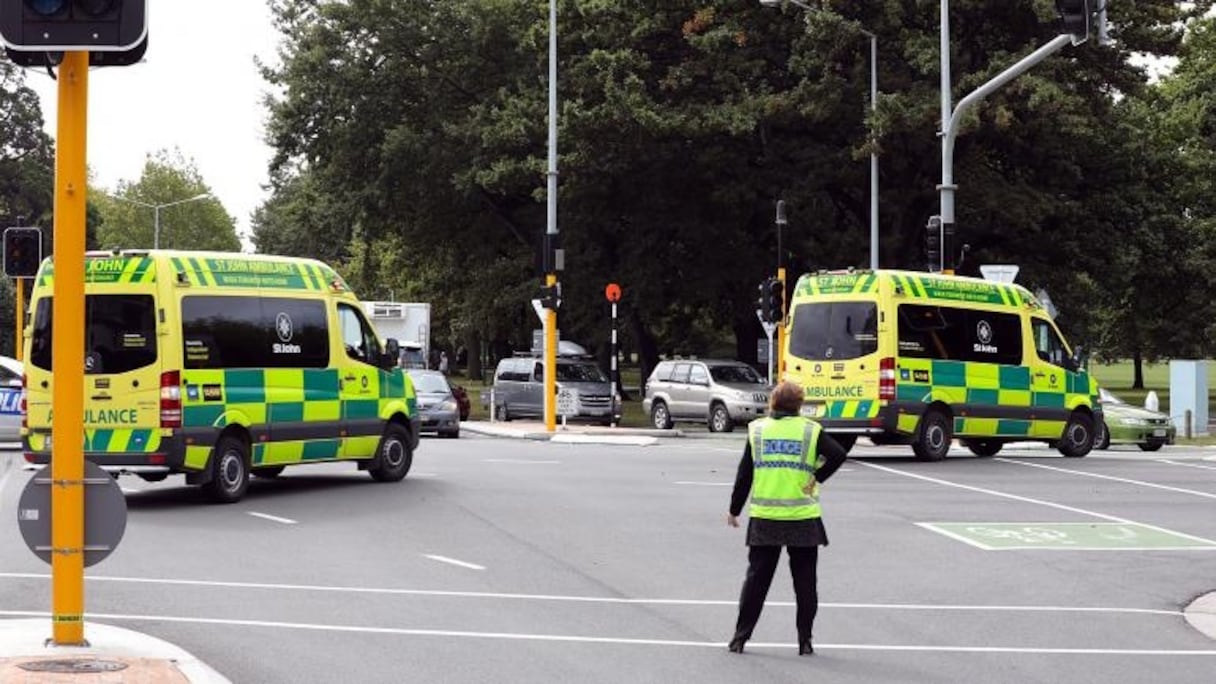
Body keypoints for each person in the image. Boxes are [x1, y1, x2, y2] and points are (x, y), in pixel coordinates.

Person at [726, 380, 848, 656]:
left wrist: (735, 509)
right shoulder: (811, 430)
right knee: (805, 582)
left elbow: (745, 473)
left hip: (766, 517)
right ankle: (805, 640)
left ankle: (740, 638)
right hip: (803, 516)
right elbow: (838, 454)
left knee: (756, 580)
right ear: (800, 404)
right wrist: (817, 478)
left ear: (772, 402)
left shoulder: (757, 430)